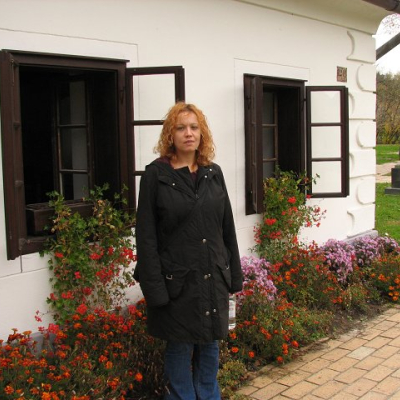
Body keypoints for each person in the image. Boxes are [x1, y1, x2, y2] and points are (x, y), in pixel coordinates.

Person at [134, 102, 243, 400]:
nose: (188, 133)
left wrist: (233, 277)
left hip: (212, 276)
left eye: (194, 127)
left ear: (202, 133)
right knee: (180, 346)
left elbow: (227, 229)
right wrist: (155, 290)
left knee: (210, 343)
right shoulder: (155, 175)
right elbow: (146, 237)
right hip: (177, 282)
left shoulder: (213, 173)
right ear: (170, 135)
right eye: (181, 128)